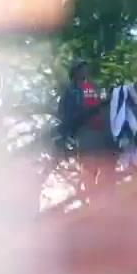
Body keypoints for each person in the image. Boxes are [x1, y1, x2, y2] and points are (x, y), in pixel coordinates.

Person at [57, 61, 110, 190]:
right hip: (83, 132)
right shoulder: (70, 92)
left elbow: (102, 104)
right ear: (75, 72)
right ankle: (91, 196)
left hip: (99, 132)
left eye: (85, 69)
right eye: (81, 69)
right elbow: (65, 114)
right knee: (88, 167)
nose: (84, 72)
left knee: (103, 165)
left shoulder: (91, 87)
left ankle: (104, 195)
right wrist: (68, 133)